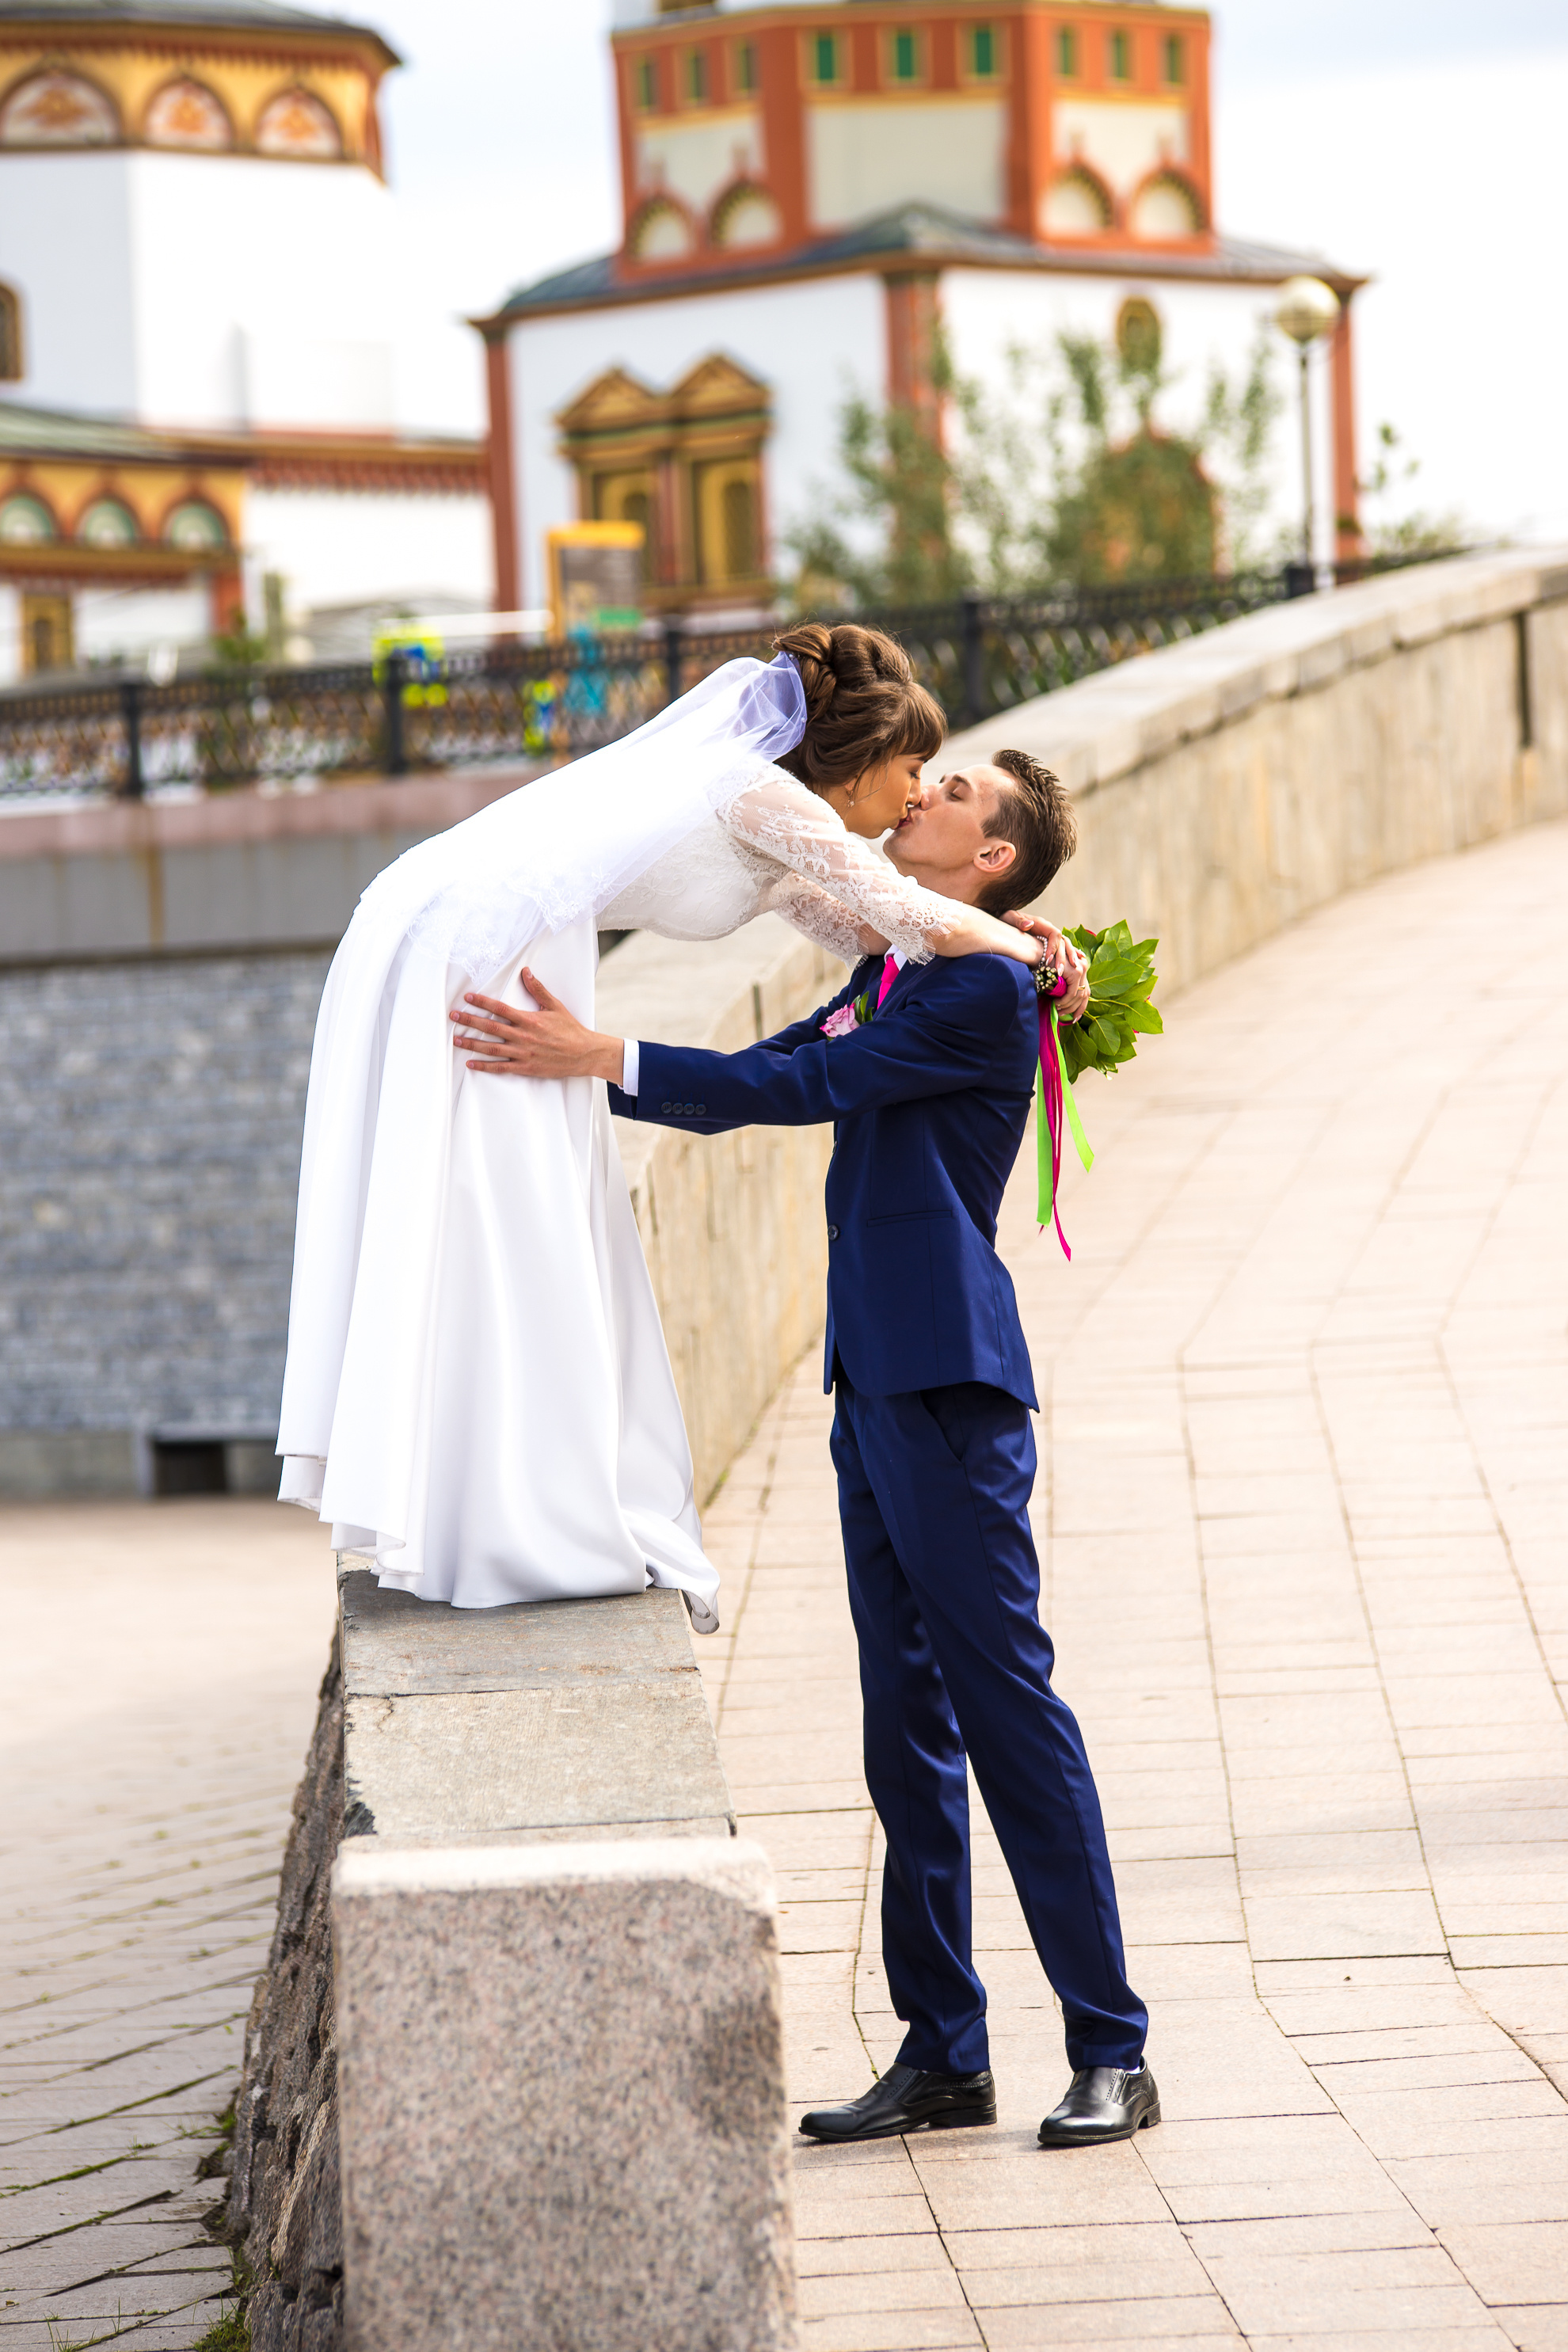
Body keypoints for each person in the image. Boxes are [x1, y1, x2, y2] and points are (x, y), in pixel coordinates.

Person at [451, 748, 1156, 2150]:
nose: (928, 790)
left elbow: (798, 1097)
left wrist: (610, 1058)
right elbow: (778, 1062)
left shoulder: (981, 987)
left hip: (949, 1389)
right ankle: (946, 2050)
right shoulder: (901, 966)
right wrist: (592, 1077)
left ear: (995, 857)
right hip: (872, 1383)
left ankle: (1112, 2048)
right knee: (905, 1726)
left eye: (956, 791)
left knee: (1009, 1715)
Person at [277, 624, 1089, 1630]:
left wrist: (1031, 940)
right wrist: (1040, 955)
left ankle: (481, 1502)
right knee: (502, 1221)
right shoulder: (768, 796)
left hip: (502, 935)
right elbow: (922, 920)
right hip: (486, 946)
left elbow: (888, 932)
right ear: (867, 762)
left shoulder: (778, 828)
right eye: (916, 768)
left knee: (510, 1223)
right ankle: (509, 1519)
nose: (920, 794)